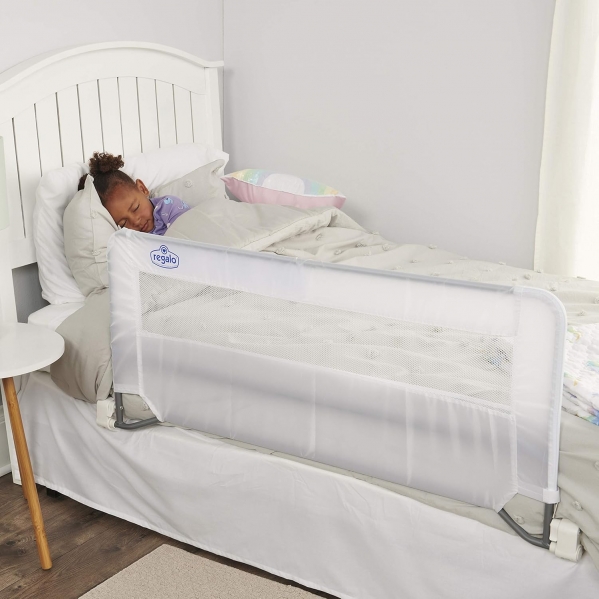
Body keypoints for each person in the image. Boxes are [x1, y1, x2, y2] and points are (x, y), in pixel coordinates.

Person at [78, 152, 190, 235]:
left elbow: (189, 234)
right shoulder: (130, 240)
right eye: (123, 223)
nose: (135, 221)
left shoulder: (168, 207)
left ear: (142, 189)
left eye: (135, 208)